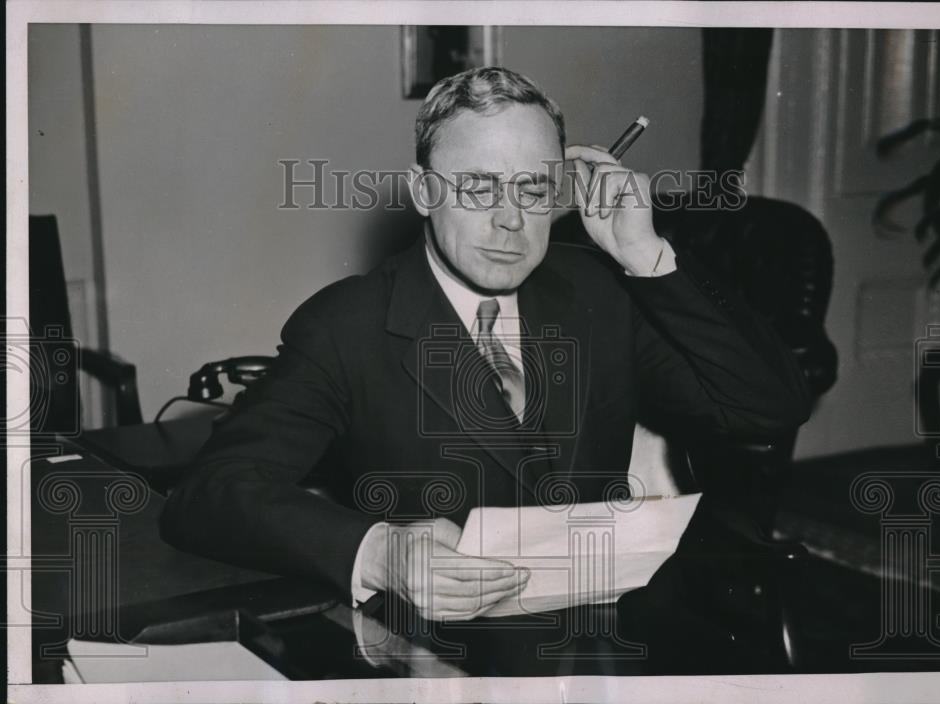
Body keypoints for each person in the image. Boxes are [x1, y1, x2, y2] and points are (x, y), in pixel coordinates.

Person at [159, 66, 811, 623]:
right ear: (423, 192)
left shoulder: (598, 292)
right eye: (477, 187)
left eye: (532, 188)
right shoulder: (348, 324)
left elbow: (768, 407)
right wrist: (380, 551)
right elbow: (210, 493)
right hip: (437, 650)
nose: (511, 219)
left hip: (602, 634)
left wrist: (647, 257)